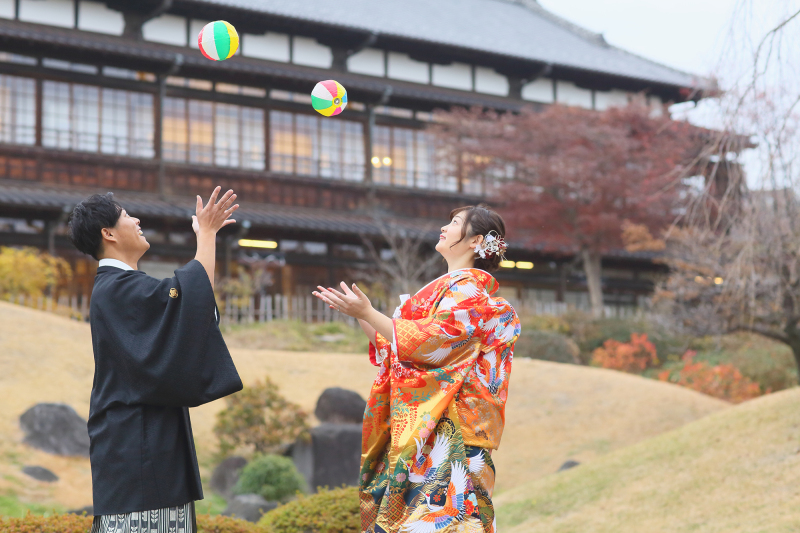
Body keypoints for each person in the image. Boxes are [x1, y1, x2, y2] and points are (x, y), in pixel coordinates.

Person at [313, 204, 520, 533]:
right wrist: (362, 314)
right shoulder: (447, 289)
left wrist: (369, 313)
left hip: (455, 432)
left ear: (474, 241)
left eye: (454, 223)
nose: (444, 227)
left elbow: (428, 344)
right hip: (430, 431)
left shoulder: (470, 292)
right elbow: (398, 348)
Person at [68, 187, 243, 533]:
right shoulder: (116, 288)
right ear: (109, 233)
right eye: (126, 216)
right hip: (139, 456)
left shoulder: (121, 287)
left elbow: (193, 309)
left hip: (141, 450)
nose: (136, 220)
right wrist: (206, 235)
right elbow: (192, 305)